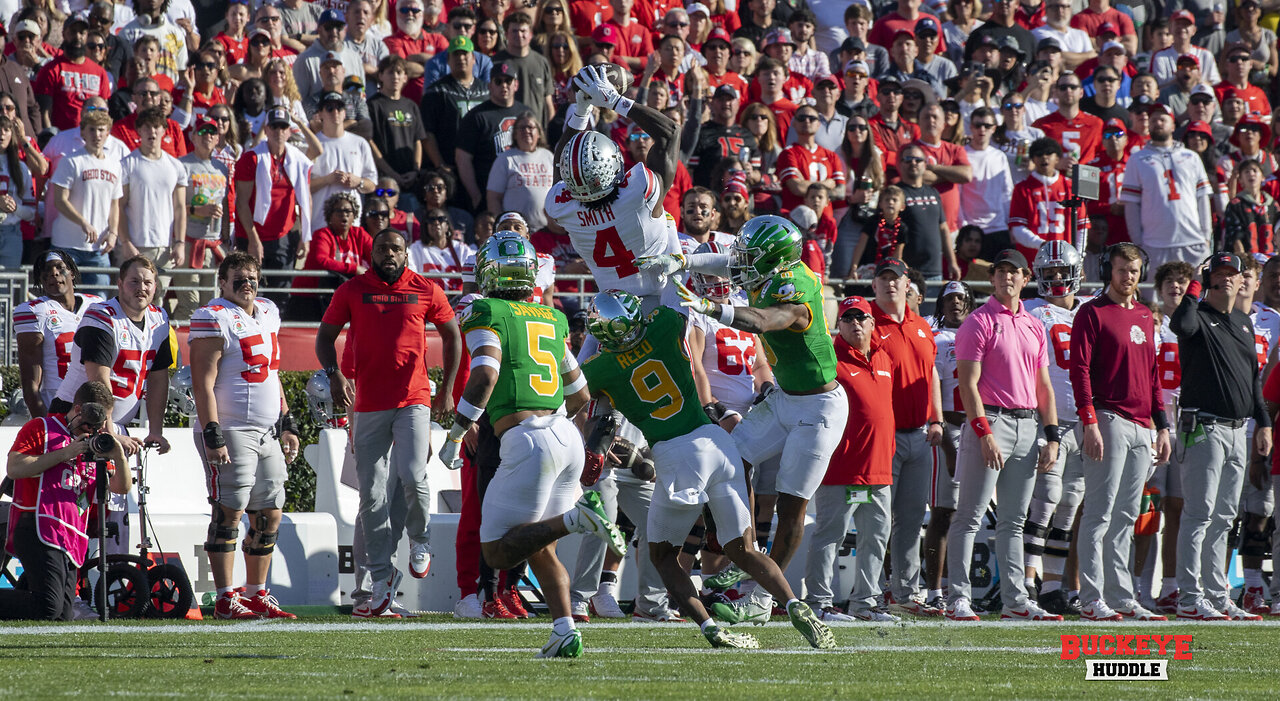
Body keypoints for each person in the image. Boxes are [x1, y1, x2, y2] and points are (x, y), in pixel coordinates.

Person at [579, 287, 835, 648]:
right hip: (718, 443)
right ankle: (794, 604)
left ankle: (710, 629)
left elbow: (588, 405)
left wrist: (595, 439)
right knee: (744, 549)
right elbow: (674, 312)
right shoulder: (666, 325)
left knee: (663, 556)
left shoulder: (599, 369)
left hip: (676, 454)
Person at [652, 216, 847, 625]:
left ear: (773, 259)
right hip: (782, 399)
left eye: (751, 255)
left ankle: (762, 598)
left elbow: (763, 320)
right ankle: (746, 550)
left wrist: (711, 307)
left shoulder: (796, 289)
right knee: (728, 459)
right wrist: (684, 262)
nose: (741, 261)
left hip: (818, 408)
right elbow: (730, 263)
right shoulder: (769, 268)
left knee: (792, 503)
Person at [437, 237, 624, 657]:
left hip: (527, 439)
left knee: (497, 550)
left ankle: (577, 519)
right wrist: (594, 443)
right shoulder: (553, 317)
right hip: (564, 435)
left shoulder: (486, 310)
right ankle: (563, 630)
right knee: (538, 545)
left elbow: (484, 374)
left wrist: (455, 432)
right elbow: (579, 395)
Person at [315, 229, 461, 616]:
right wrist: (334, 374)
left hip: (414, 399)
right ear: (372, 253)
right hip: (367, 405)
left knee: (413, 475)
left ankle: (420, 538)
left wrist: (446, 388)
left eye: (396, 248)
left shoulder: (426, 289)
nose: (389, 254)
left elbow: (452, 335)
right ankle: (380, 580)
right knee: (372, 496)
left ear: (406, 254)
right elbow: (325, 336)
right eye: (382, 248)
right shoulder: (353, 290)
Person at [945, 249, 1061, 622]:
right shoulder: (978, 322)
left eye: (1014, 272)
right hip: (991, 421)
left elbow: (1044, 384)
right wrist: (983, 432)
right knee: (970, 515)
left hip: (1027, 425)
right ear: (992, 278)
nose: (1007, 278)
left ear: (1026, 278)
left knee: (1013, 521)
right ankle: (958, 598)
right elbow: (967, 383)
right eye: (1001, 272)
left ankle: (1015, 600)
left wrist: (1053, 435)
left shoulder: (1032, 324)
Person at [188, 252, 301, 620]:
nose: (247, 283)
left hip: (266, 431)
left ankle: (256, 593)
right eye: (238, 277)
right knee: (228, 512)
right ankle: (224, 597)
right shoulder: (213, 316)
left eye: (252, 276)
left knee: (269, 514)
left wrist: (287, 421)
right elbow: (202, 382)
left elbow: (271, 373)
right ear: (222, 282)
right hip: (232, 427)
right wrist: (213, 431)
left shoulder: (267, 311)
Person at [1070, 242, 1171, 621]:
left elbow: (1153, 376)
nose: (1127, 277)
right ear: (1107, 272)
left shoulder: (1146, 315)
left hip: (1142, 426)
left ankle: (1122, 596)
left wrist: (1162, 426)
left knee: (1127, 516)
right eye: (1120, 270)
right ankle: (1091, 598)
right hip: (1108, 418)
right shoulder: (1091, 313)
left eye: (1133, 270)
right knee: (1098, 513)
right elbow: (1078, 369)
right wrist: (1089, 420)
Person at [1167, 252, 1269, 621]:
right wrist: (1194, 286)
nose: (1227, 279)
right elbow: (1181, 324)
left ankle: (1215, 593)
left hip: (1238, 428)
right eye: (1220, 273)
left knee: (1225, 516)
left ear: (1243, 280)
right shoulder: (1198, 315)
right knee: (1198, 512)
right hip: (1204, 427)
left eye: (1233, 274)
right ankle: (1189, 596)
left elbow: (1252, 380)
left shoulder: (1243, 322)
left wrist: (1265, 423)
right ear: (1209, 278)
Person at [544, 64, 681, 313]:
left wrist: (581, 111)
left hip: (609, 312)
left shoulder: (564, 207)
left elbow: (560, 161)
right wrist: (616, 101)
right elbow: (670, 132)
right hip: (659, 306)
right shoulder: (640, 191)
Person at [0, 381, 130, 621]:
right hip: (39, 525)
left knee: (61, 615)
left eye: (104, 421)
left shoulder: (96, 443)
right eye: (95, 418)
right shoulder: (43, 427)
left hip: (72, 537)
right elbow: (15, 467)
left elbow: (121, 487)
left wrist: (118, 455)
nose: (99, 426)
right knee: (48, 608)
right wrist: (66, 453)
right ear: (79, 408)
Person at [803, 295, 897, 622]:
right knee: (830, 536)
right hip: (842, 469)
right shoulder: (831, 359)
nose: (855, 323)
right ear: (838, 325)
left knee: (876, 539)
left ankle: (866, 605)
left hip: (880, 470)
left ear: (873, 323)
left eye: (862, 317)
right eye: (848, 318)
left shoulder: (885, 358)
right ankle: (818, 603)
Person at [859, 258, 944, 616]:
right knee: (876, 520)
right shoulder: (865, 325)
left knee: (910, 519)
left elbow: (931, 374)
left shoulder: (922, 325)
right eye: (884, 278)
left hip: (920, 435)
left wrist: (937, 419)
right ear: (874, 284)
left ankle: (905, 593)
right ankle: (868, 593)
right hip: (884, 436)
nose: (890, 284)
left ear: (908, 283)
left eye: (897, 278)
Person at [1022, 241, 1087, 616]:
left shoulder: (1089, 311)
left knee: (1068, 506)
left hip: (1082, 421)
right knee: (1044, 502)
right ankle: (1027, 582)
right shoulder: (1033, 312)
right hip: (1047, 421)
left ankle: (1051, 587)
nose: (1058, 279)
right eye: (1050, 273)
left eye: (1063, 272)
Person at [921, 280, 975, 611]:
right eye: (949, 299)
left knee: (969, 512)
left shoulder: (981, 332)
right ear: (940, 304)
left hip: (980, 427)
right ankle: (933, 590)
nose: (955, 304)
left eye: (961, 298)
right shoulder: (937, 339)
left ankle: (962, 588)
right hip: (950, 427)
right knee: (943, 511)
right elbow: (935, 388)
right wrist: (946, 441)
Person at [1120, 104, 1213, 278]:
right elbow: (1131, 205)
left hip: (1193, 241)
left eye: (1162, 119)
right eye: (1153, 120)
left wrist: (1206, 237)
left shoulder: (1191, 157)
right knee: (1154, 300)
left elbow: (1202, 200)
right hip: (1154, 244)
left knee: (1198, 296)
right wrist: (1139, 243)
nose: (1157, 123)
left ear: (1173, 125)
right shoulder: (1137, 159)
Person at [15, 251, 103, 418]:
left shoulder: (97, 305)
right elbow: (30, 383)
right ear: (41, 279)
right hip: (57, 405)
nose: (54, 273)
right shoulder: (36, 311)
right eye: (47, 270)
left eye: (60, 268)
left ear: (72, 272)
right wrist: (45, 424)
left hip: (94, 402)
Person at [233, 106, 315, 285]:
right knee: (249, 290)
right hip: (251, 233)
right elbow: (242, 203)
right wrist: (253, 238)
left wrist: (305, 237)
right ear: (267, 129)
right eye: (275, 126)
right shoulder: (251, 159)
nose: (279, 131)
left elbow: (305, 199)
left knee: (281, 294)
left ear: (289, 131)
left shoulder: (299, 160)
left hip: (283, 235)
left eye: (283, 126)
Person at [119, 107, 189, 306]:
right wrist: (126, 242)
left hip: (165, 248)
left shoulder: (176, 166)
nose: (152, 132)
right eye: (147, 127)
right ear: (139, 131)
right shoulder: (127, 164)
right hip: (136, 245)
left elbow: (180, 208)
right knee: (131, 302)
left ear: (164, 131)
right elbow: (118, 206)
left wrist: (180, 242)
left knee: (156, 303)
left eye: (157, 127)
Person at [48, 108, 122, 291]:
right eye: (92, 129)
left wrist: (113, 232)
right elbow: (60, 200)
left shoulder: (114, 165)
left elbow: (115, 204)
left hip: (98, 249)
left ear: (108, 133)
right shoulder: (71, 161)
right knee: (63, 301)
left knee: (98, 303)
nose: (97, 134)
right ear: (83, 132)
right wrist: (83, 222)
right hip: (67, 244)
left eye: (101, 130)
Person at [456, 61, 528, 212]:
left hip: (521, 192)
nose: (504, 85)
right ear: (490, 86)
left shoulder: (526, 114)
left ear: (516, 85)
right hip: (488, 194)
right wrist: (475, 194)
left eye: (508, 81)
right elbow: (462, 158)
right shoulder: (476, 117)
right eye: (498, 81)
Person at [1008, 137, 1089, 262]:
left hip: (1066, 261)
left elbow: (1081, 227)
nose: (1044, 157)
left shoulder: (1071, 188)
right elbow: (1017, 228)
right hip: (1032, 261)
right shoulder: (1022, 189)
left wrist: (1078, 258)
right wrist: (1041, 244)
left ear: (1057, 158)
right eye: (1039, 154)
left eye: (1049, 153)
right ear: (1033, 159)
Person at [310, 91, 376, 234]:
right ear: (320, 114)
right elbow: (302, 187)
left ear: (345, 113)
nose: (335, 112)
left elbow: (372, 184)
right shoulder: (312, 145)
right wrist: (328, 179)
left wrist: (358, 182)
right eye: (329, 108)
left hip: (353, 227)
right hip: (320, 225)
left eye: (339, 108)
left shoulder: (360, 143)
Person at [420, 36, 488, 172]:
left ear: (474, 59)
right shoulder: (436, 91)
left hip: (482, 165)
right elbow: (427, 133)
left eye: (465, 54)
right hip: (450, 166)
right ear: (448, 60)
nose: (461, 58)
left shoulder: (486, 90)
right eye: (456, 54)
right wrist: (440, 164)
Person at [368, 56, 428, 206]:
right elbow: (370, 143)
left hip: (411, 180)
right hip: (385, 182)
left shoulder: (411, 106)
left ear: (405, 77)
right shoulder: (373, 105)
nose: (395, 77)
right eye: (390, 72)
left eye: (399, 72)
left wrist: (415, 170)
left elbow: (418, 141)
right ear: (380, 75)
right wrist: (392, 174)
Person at [895, 143, 960, 280]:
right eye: (908, 159)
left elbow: (943, 229)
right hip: (906, 271)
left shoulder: (933, 192)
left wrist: (952, 262)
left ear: (925, 164)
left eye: (918, 160)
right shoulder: (895, 193)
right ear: (900, 164)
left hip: (934, 270)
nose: (913, 163)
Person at [31, 20, 111, 132]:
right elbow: (44, 112)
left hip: (92, 137)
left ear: (87, 35)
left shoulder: (100, 72)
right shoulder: (51, 69)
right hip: (61, 137)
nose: (77, 36)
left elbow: (104, 111)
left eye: (82, 33)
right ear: (64, 34)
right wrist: (50, 137)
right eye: (73, 32)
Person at [486, 112, 554, 230]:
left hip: (547, 230)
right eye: (522, 128)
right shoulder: (505, 159)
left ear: (539, 133)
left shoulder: (548, 156)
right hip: (516, 231)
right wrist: (501, 227)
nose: (526, 131)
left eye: (531, 127)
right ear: (515, 134)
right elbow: (493, 198)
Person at [1033, 73, 1103, 173]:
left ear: (1081, 92)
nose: (1068, 91)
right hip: (1055, 183)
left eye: (1073, 87)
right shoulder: (1042, 125)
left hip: (1087, 183)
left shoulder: (1096, 124)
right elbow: (1032, 160)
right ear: (1056, 92)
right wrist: (1055, 164)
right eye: (1063, 87)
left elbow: (1104, 157)